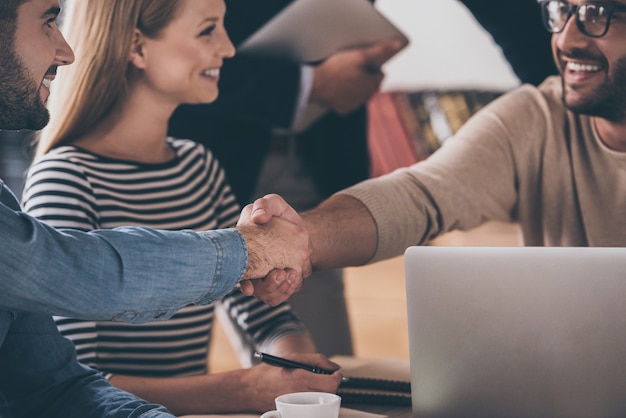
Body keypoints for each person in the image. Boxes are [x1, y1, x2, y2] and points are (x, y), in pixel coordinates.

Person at [21, 0, 341, 414]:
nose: (227, 49)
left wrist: (293, 364)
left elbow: (260, 313)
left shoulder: (199, 167)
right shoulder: (65, 180)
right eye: (208, 30)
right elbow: (70, 379)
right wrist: (243, 389)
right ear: (137, 47)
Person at [240, 0, 626, 283]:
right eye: (561, 11)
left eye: (597, 15)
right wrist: (297, 236)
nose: (565, 39)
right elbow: (418, 196)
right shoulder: (536, 116)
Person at [168, 0, 405, 358]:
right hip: (214, 147)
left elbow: (268, 321)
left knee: (322, 367)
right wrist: (308, 84)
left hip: (316, 154)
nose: (224, 47)